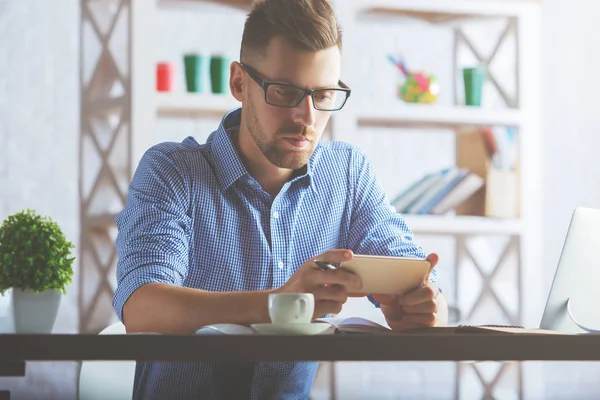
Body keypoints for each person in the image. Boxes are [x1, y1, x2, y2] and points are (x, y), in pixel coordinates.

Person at [113, 0, 448, 398]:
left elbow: (417, 279)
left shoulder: (348, 175)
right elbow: (141, 307)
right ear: (239, 83)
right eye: (285, 92)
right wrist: (278, 304)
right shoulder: (173, 171)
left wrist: (424, 307)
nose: (306, 117)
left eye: (323, 95)